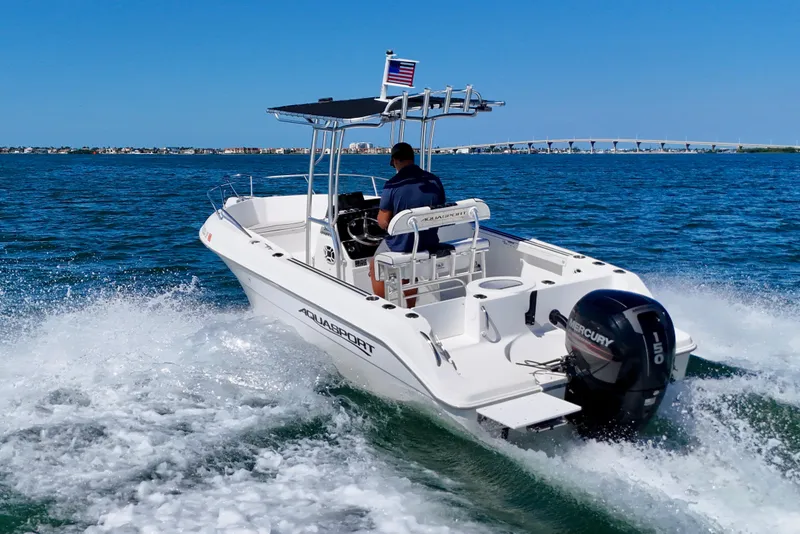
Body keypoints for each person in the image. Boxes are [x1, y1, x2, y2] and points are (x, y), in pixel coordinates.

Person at [369, 142, 446, 305]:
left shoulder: (393, 184)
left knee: (374, 264)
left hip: (403, 246)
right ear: (412, 158)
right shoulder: (435, 181)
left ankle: (381, 306)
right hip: (430, 242)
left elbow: (383, 222)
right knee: (408, 267)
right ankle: (410, 306)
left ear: (396, 160)